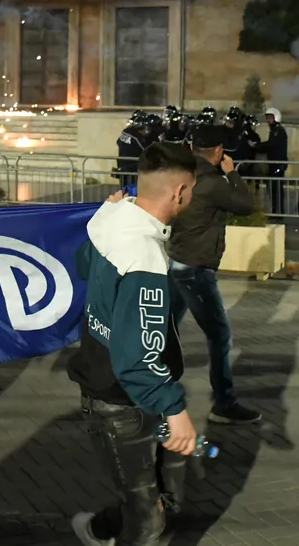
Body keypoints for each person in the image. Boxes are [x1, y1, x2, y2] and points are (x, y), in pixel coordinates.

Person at [67, 143, 200, 546]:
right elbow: (137, 355)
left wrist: (106, 213)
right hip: (122, 400)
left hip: (116, 391)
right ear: (179, 192)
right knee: (148, 522)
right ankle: (108, 529)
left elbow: (83, 264)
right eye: (192, 190)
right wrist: (175, 409)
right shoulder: (144, 254)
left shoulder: (115, 218)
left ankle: (100, 529)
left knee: (153, 497)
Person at [165, 124, 263, 425]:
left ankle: (151, 394)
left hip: (175, 261)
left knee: (165, 332)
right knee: (219, 336)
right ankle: (224, 403)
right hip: (196, 269)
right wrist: (232, 173)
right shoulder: (213, 182)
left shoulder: (178, 174)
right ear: (219, 151)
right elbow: (246, 205)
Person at [255, 108, 289, 215]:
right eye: (267, 118)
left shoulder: (278, 130)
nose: (268, 120)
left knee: (276, 190)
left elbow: (271, 144)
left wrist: (257, 146)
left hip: (277, 164)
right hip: (273, 164)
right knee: (272, 189)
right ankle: (276, 211)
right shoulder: (275, 130)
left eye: (270, 118)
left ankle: (278, 212)